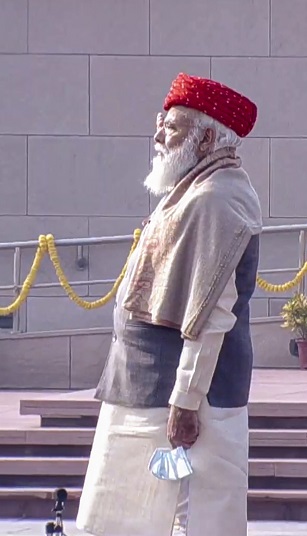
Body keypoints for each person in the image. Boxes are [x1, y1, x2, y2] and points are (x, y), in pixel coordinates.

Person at [76, 73, 262, 536]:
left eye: (173, 127)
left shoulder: (218, 198)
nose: (159, 135)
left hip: (186, 398)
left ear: (206, 139)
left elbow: (210, 313)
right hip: (146, 388)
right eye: (161, 123)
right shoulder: (194, 189)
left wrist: (185, 400)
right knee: (134, 515)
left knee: (192, 514)